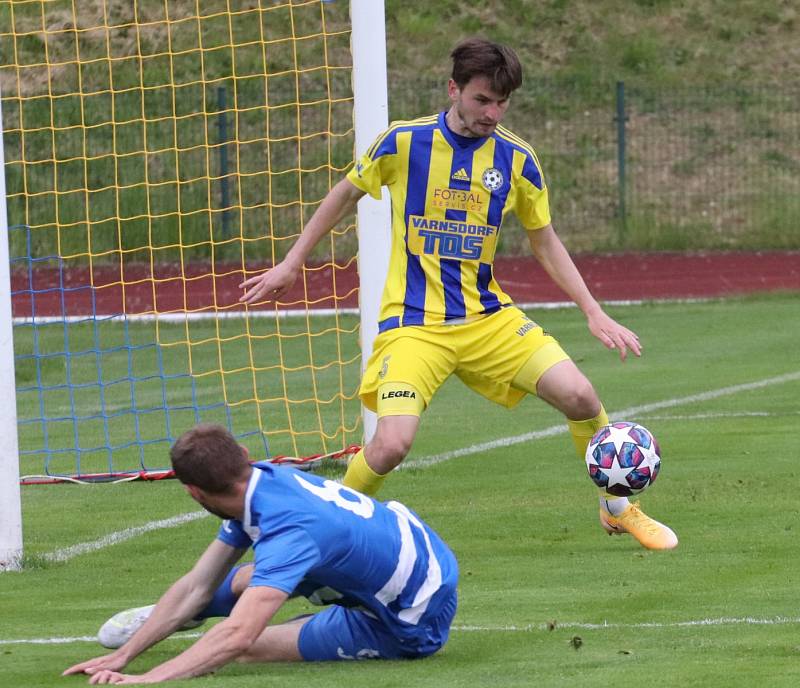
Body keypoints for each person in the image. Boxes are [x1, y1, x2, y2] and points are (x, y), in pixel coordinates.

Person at [238, 38, 677, 551]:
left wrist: (593, 310)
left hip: (487, 319)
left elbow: (544, 240)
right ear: (454, 89)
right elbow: (345, 193)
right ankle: (318, 530)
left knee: (581, 396)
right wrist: (293, 261)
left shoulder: (517, 159)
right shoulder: (404, 142)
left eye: (502, 103)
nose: (493, 113)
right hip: (414, 325)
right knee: (391, 445)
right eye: (482, 100)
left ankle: (617, 508)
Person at [63, 424, 458, 684]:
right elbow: (197, 584)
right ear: (244, 455)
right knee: (239, 581)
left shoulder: (290, 532)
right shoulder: (261, 478)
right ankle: (172, 618)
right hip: (415, 553)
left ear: (194, 494)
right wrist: (126, 656)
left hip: (408, 619)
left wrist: (149, 679)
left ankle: (308, 620)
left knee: (247, 648)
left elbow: (237, 637)